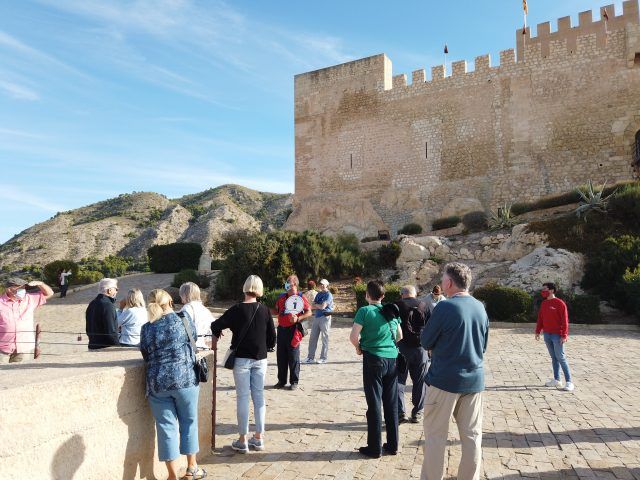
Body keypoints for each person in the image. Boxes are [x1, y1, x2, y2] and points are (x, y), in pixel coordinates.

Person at [420, 262, 489, 480]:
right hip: (474, 380)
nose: (441, 283)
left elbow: (426, 340)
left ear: (449, 283)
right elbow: (483, 345)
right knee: (472, 437)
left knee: (435, 438)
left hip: (444, 381)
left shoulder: (445, 307)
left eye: (443, 279)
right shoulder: (480, 307)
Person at [140, 289, 206, 480]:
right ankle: (192, 467)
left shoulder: (146, 328)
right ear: (169, 301)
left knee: (165, 428)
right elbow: (192, 338)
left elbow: (145, 353)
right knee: (189, 422)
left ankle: (171, 475)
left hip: (157, 383)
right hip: (185, 379)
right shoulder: (183, 318)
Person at [210, 275, 276, 453]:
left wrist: (220, 333)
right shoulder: (264, 310)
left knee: (243, 397)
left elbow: (215, 325)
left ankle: (242, 439)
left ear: (245, 287)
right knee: (259, 397)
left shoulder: (237, 309)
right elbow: (272, 338)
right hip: (260, 359)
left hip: (241, 359)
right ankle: (259, 437)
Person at [349, 280, 402, 458]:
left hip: (373, 359)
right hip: (392, 359)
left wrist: (359, 348)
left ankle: (374, 447)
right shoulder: (391, 311)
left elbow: (353, 336)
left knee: (374, 403)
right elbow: (400, 335)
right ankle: (393, 444)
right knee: (391, 403)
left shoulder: (365, 311)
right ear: (383, 295)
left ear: (366, 295)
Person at [394, 285, 429, 424]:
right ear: (415, 294)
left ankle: (400, 411)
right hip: (421, 349)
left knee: (398, 381)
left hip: (401, 348)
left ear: (402, 294)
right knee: (420, 381)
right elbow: (431, 327)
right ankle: (418, 412)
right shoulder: (424, 305)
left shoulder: (395, 306)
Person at [272, 274, 312, 390]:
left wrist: (298, 318)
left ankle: (294, 381)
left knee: (293, 356)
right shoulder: (281, 297)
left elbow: (309, 312)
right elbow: (276, 310)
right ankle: (281, 380)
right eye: (287, 282)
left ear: (295, 284)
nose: (287, 284)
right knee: (281, 356)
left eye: (289, 282)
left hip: (294, 331)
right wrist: (263, 309)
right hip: (281, 329)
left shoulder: (300, 297)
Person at [0, 277, 53, 363]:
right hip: (2, 348)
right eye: (21, 288)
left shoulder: (29, 299)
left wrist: (41, 284)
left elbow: (49, 293)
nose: (23, 290)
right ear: (9, 289)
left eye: (24, 288)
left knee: (19, 374)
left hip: (23, 347)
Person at [535, 282, 574, 392]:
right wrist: (538, 331)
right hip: (547, 334)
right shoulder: (544, 303)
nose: (543, 291)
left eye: (545, 289)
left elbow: (565, 320)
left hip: (557, 335)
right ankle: (557, 380)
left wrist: (564, 335)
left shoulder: (560, 303)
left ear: (551, 290)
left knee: (561, 357)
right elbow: (540, 318)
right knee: (554, 358)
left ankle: (569, 382)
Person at [304, 278, 334, 364]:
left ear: (327, 285)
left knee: (324, 338)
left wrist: (316, 305)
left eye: (323, 284)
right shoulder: (318, 294)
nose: (321, 285)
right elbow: (312, 306)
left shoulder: (329, 295)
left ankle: (323, 358)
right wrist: (317, 305)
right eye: (320, 284)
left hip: (325, 317)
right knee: (312, 338)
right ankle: (310, 357)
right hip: (317, 317)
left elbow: (323, 307)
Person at [85, 278, 119, 350]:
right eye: (116, 289)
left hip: (92, 345)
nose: (116, 291)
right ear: (109, 290)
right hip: (105, 348)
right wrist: (117, 346)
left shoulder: (92, 303)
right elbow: (111, 331)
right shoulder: (108, 305)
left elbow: (88, 328)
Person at [179, 282, 215, 350]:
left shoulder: (187, 308)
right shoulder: (204, 309)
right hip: (205, 345)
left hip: (192, 347)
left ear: (184, 295)